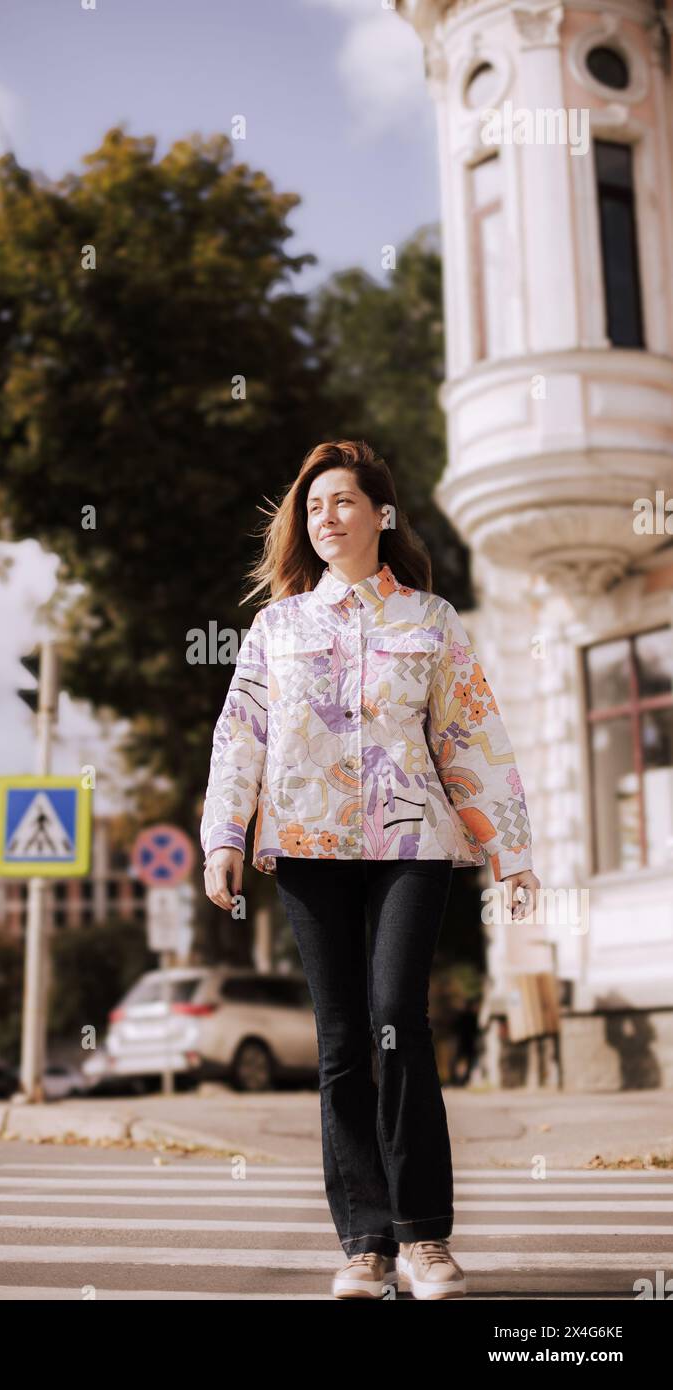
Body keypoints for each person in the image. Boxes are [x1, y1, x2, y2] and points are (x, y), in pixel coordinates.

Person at [200, 439, 540, 1300]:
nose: (326, 518)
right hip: (308, 846)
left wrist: (509, 851)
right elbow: (242, 736)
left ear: (381, 515)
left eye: (343, 502)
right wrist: (224, 839)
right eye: (313, 508)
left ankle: (426, 1240)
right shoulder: (279, 628)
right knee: (344, 1042)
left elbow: (469, 737)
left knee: (398, 1019)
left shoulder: (430, 620)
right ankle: (365, 1244)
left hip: (411, 844)